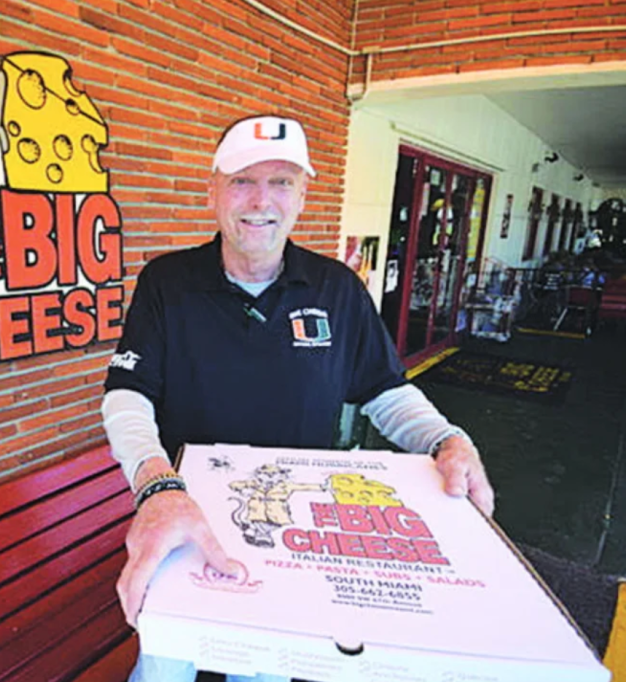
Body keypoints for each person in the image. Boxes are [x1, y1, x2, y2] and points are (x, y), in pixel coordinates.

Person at [101, 114, 495, 682]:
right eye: (242, 180)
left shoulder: (338, 288)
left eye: (281, 182)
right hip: (184, 517)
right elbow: (127, 394)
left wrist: (447, 439)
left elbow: (384, 389)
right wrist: (157, 487)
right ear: (212, 191)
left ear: (303, 196)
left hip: (294, 531)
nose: (261, 200)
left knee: (264, 671)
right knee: (165, 668)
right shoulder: (167, 281)